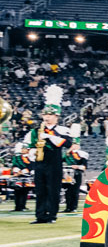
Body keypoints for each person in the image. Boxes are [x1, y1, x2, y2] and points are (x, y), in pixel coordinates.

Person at [30, 87, 73, 224]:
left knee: (53, 189)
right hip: (39, 162)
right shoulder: (36, 131)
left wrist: (49, 136)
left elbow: (67, 143)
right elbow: (31, 144)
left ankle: (51, 215)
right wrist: (32, 152)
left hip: (54, 162)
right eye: (45, 115)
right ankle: (40, 215)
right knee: (40, 189)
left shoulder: (62, 129)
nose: (47, 117)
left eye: (50, 115)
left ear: (56, 116)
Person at [63, 139, 88, 213]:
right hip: (67, 174)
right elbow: (62, 160)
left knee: (75, 191)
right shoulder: (67, 154)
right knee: (67, 191)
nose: (74, 146)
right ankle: (68, 207)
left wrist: (77, 166)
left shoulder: (82, 154)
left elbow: (84, 166)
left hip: (77, 174)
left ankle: (73, 207)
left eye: (75, 144)